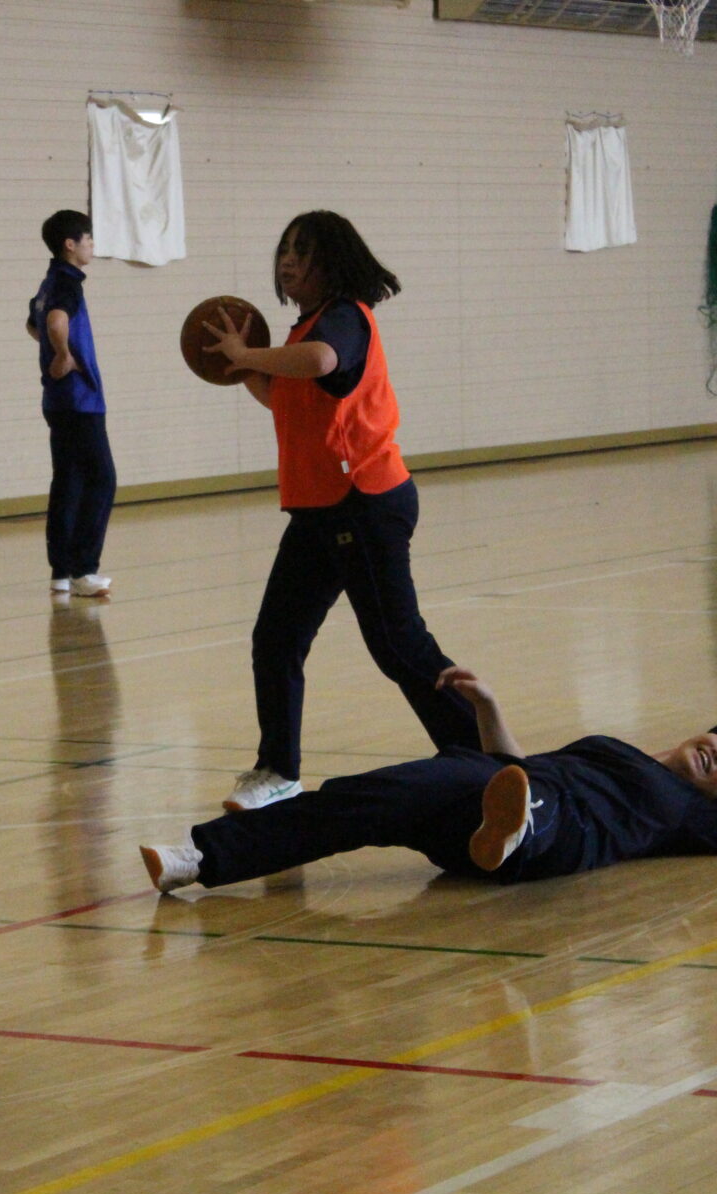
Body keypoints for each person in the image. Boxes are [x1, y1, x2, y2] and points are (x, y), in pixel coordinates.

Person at [140, 668, 717, 892]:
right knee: (360, 800)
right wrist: (490, 705)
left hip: (558, 831)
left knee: (545, 806)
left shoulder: (686, 816)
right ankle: (198, 860)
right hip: (495, 790)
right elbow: (514, 762)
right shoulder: (620, 748)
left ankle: (514, 837)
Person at [201, 210, 479, 813]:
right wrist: (246, 365)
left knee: (399, 647)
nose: (288, 261)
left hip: (366, 504)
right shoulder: (302, 331)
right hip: (320, 511)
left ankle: (489, 760)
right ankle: (278, 771)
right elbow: (285, 393)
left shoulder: (346, 318)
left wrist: (252, 350)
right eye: (285, 250)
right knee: (275, 639)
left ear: (335, 261)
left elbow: (323, 363)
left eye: (303, 251)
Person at [26, 210, 115, 597]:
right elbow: (55, 322)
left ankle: (61, 572)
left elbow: (33, 323)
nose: (92, 245)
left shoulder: (48, 283)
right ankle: (84, 570)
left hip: (57, 399)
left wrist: (51, 349)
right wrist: (63, 354)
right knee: (101, 479)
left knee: (68, 482)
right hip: (79, 398)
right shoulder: (67, 283)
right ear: (70, 244)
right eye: (88, 239)